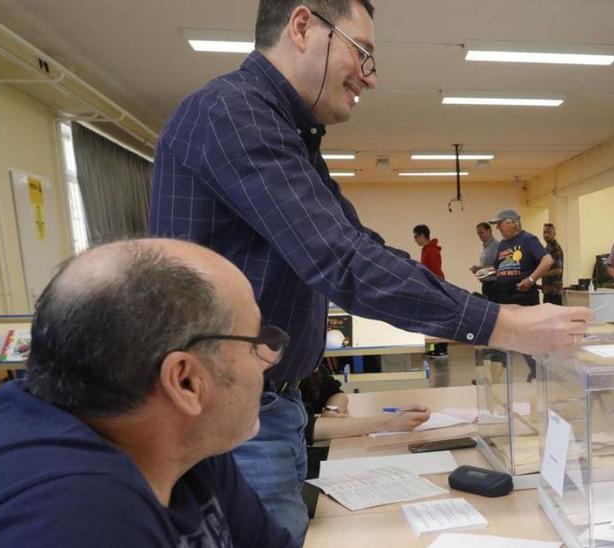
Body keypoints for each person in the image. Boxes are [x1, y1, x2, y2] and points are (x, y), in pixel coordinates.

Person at [147, 0, 591, 538]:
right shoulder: (233, 114)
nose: (370, 77)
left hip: (267, 408)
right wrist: (501, 323)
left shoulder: (285, 131)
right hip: (229, 418)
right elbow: (341, 260)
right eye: (362, 53)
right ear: (303, 25)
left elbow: (357, 242)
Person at [0, 239, 292, 547]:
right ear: (186, 382)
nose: (266, 362)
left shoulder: (184, 446)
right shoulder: (76, 518)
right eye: (256, 344)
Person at [488, 208, 556, 382]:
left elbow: (548, 260)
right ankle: (493, 376)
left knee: (528, 335)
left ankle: (539, 372)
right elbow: (498, 268)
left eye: (500, 224)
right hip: (503, 295)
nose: (498, 229)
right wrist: (485, 274)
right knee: (500, 335)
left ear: (512, 223)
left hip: (523, 295)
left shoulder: (528, 240)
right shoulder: (502, 245)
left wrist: (531, 279)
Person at [299, 360, 429, 443]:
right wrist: (388, 422)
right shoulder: (281, 374)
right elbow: (302, 429)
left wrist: (332, 411)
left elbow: (335, 392)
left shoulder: (305, 361)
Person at [413, 224, 449, 356]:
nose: (415, 239)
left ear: (422, 235)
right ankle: (433, 348)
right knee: (431, 321)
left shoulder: (432, 250)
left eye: (416, 236)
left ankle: (441, 349)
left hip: (435, 289)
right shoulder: (426, 249)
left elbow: (436, 272)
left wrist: (436, 290)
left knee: (438, 320)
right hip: (429, 288)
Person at [471, 221, 500, 298]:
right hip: (487, 285)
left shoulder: (496, 246)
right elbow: (489, 267)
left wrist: (480, 270)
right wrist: (479, 272)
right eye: (478, 234)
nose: (480, 236)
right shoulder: (486, 248)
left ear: (489, 231)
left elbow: (500, 268)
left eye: (481, 232)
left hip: (495, 286)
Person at [541, 223, 565, 305]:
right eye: (544, 232)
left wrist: (541, 274)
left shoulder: (555, 248)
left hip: (554, 292)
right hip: (547, 291)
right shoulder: (546, 248)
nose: (546, 235)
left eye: (549, 232)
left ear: (554, 234)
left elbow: (558, 270)